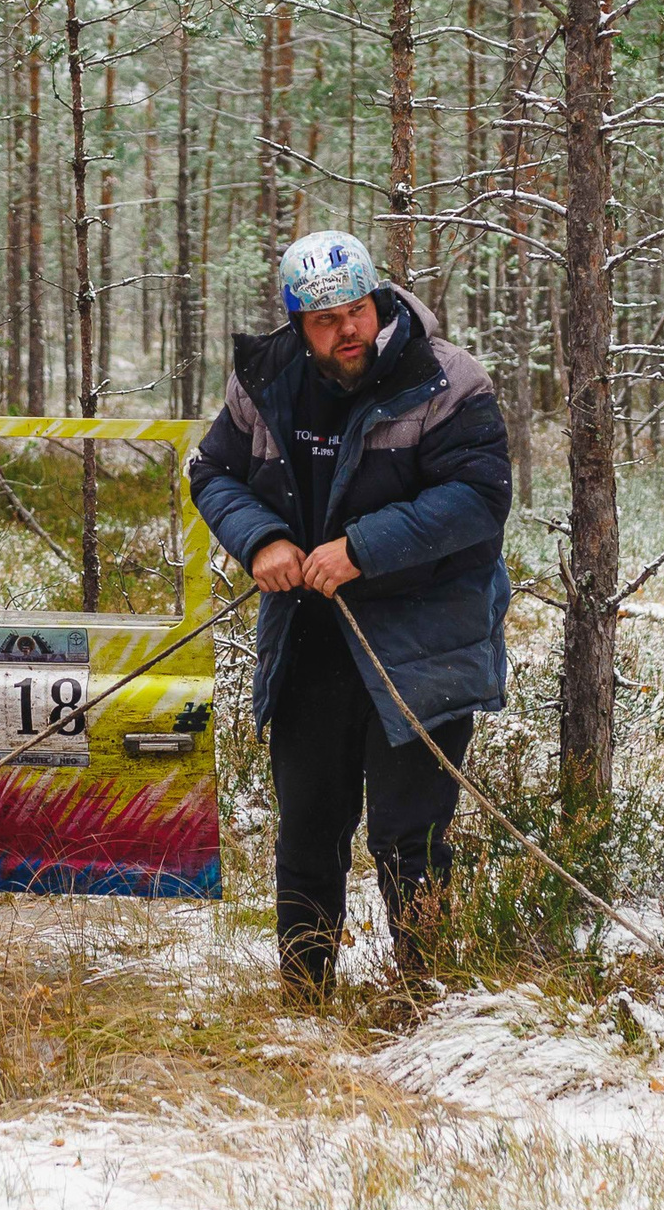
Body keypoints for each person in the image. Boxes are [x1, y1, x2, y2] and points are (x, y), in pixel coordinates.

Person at [187, 231, 513, 997]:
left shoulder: (447, 379)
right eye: (327, 319)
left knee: (410, 836)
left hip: (422, 648)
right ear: (297, 324)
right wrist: (260, 537)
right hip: (310, 639)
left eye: (358, 310)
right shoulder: (265, 381)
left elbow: (480, 498)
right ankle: (304, 996)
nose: (349, 330)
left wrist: (360, 548)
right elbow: (212, 471)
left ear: (379, 300)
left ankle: (423, 990)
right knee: (306, 830)